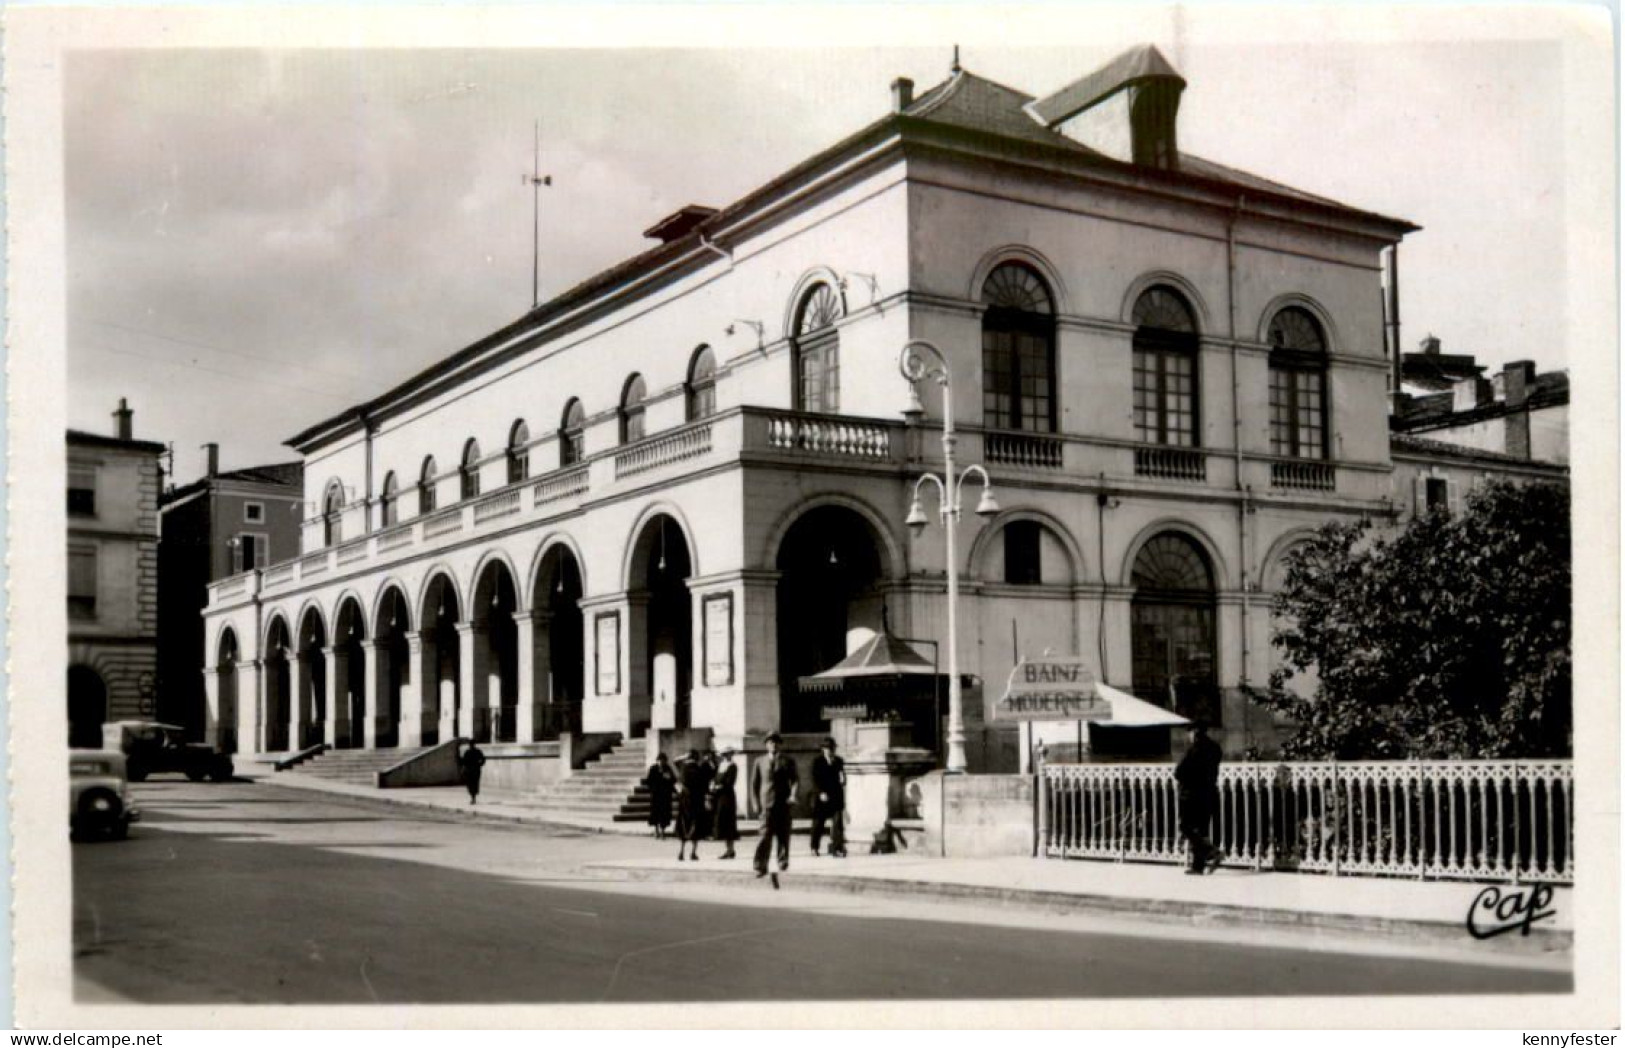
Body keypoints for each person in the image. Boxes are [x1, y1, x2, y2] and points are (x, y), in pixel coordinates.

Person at [1174, 721, 1224, 874]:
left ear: (1194, 733)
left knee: (1186, 826)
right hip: (1209, 793)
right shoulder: (1215, 749)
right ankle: (1198, 866)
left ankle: (1211, 851)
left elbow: (1179, 772)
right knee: (1201, 830)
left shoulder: (1194, 750)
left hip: (1192, 794)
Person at [751, 733, 797, 885]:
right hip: (766, 804)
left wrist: (793, 795)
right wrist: (755, 803)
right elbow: (754, 785)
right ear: (766, 745)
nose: (774, 745)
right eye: (770, 742)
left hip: (783, 804)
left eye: (776, 742)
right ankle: (760, 866)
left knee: (783, 835)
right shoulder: (759, 761)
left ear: (780, 745)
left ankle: (782, 862)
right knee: (765, 835)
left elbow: (795, 780)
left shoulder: (788, 761)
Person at [810, 736, 847, 858]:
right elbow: (814, 779)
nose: (830, 751)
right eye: (827, 748)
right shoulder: (817, 761)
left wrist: (843, 779)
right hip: (822, 798)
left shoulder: (839, 761)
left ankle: (837, 848)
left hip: (836, 797)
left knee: (837, 824)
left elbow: (842, 778)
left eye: (832, 748)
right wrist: (820, 792)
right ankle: (814, 847)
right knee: (818, 824)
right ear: (823, 749)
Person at [676, 749, 711, 861]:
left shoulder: (683, 768)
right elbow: (705, 785)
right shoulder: (700, 769)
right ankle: (693, 853)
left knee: (683, 825)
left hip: (684, 801)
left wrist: (684, 756)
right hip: (696, 801)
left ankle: (681, 852)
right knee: (695, 826)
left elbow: (675, 761)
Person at [709, 747, 740, 859]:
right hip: (719, 796)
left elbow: (730, 782)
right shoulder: (721, 765)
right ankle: (728, 849)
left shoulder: (733, 766)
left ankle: (730, 849)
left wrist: (718, 787)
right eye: (725, 754)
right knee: (722, 821)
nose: (727, 756)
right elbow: (715, 778)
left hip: (727, 797)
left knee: (729, 821)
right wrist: (713, 784)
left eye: (728, 754)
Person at [644, 752, 677, 840]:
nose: (661, 762)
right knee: (655, 813)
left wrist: (668, 778)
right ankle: (656, 830)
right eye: (660, 760)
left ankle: (663, 831)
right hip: (656, 795)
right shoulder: (653, 769)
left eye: (663, 760)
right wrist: (653, 788)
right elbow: (649, 781)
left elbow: (674, 780)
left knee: (664, 814)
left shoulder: (668, 768)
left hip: (665, 795)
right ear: (657, 761)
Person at [458, 741, 486, 806]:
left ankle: (473, 797)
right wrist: (480, 764)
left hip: (473, 770)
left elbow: (483, 759)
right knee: (472, 784)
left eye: (472, 744)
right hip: (472, 770)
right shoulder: (470, 752)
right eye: (471, 744)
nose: (471, 746)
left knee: (473, 784)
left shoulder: (473, 752)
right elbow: (464, 762)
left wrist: (480, 764)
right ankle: (473, 797)